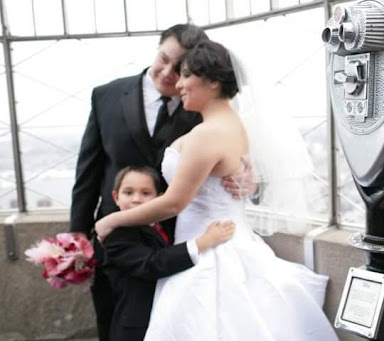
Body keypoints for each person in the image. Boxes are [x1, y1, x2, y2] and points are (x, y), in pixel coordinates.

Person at [95, 40, 338, 340]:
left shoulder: (207, 134)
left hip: (210, 251)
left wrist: (111, 220)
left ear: (211, 81)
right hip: (226, 239)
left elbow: (173, 203)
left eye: (186, 75)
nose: (179, 83)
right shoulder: (235, 123)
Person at [69, 24, 255, 341]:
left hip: (176, 244)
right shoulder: (107, 95)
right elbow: (88, 168)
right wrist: (77, 233)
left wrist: (249, 179)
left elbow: (225, 162)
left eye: (181, 68)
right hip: (118, 240)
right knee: (114, 323)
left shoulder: (204, 109)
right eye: (163, 59)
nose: (170, 74)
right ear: (156, 49)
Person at [103, 165, 235, 341]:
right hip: (138, 326)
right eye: (128, 193)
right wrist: (203, 242)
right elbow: (151, 264)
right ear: (115, 197)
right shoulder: (118, 236)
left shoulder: (163, 225)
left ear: (159, 198)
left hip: (165, 317)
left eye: (145, 193)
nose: (136, 199)